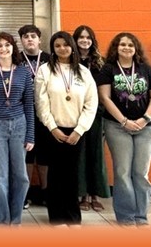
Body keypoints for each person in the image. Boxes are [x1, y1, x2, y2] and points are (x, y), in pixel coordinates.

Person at [96, 32, 151, 227]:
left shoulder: (145, 69)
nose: (126, 48)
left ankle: (141, 216)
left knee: (141, 173)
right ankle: (126, 216)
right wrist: (124, 121)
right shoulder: (108, 69)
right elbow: (105, 98)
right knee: (123, 171)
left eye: (130, 45)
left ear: (136, 49)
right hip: (117, 127)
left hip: (146, 128)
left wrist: (145, 118)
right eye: (122, 44)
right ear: (116, 48)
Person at [35, 31, 98, 226]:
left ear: (72, 46)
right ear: (53, 49)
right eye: (57, 46)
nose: (62, 49)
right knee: (55, 174)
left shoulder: (83, 71)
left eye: (65, 45)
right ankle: (56, 217)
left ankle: (73, 216)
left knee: (72, 174)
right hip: (53, 129)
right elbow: (40, 102)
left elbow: (91, 102)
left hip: (77, 131)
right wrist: (52, 127)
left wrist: (80, 129)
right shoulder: (45, 70)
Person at [0, 31, 34, 225]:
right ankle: (1, 220)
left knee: (21, 177)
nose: (4, 48)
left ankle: (16, 219)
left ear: (13, 47)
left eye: (7, 44)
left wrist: (31, 135)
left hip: (19, 125)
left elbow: (29, 105)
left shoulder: (23, 72)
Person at [73, 24, 111, 212]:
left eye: (88, 38)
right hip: (74, 114)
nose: (84, 41)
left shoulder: (101, 63)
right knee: (79, 155)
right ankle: (81, 195)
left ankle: (94, 194)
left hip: (96, 114)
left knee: (96, 155)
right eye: (81, 37)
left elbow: (106, 91)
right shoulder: (70, 61)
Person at [18, 24, 51, 209]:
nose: (29, 39)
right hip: (22, 112)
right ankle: (26, 193)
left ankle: (46, 192)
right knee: (27, 154)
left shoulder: (49, 59)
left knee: (44, 154)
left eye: (33, 36)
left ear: (39, 39)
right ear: (21, 40)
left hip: (45, 113)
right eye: (25, 36)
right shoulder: (16, 59)